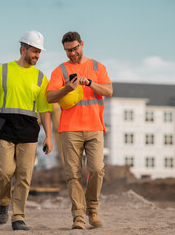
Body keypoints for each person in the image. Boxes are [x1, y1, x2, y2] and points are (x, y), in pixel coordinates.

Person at [0, 30, 53, 231]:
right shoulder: (2, 71)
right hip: (5, 129)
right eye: (35, 52)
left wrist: (48, 136)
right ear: (23, 49)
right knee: (4, 172)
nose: (37, 56)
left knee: (24, 176)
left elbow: (45, 110)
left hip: (29, 132)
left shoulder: (40, 78)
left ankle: (18, 217)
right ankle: (4, 202)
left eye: (40, 53)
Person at [46, 31, 112, 229]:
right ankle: (78, 217)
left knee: (97, 169)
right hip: (70, 130)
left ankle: (92, 210)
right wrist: (67, 88)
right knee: (73, 174)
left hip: (94, 128)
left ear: (82, 44)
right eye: (68, 50)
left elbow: (108, 91)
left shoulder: (97, 67)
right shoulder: (60, 71)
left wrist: (90, 83)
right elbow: (50, 98)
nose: (72, 53)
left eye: (75, 48)